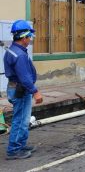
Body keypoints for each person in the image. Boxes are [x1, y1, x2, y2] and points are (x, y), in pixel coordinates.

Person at [4, 20, 43, 160]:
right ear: (24, 37)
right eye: (29, 36)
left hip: (17, 88)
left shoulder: (13, 50)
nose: (30, 39)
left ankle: (20, 144)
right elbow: (25, 77)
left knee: (23, 119)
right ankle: (14, 150)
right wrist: (35, 91)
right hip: (20, 89)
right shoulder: (19, 55)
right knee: (20, 120)